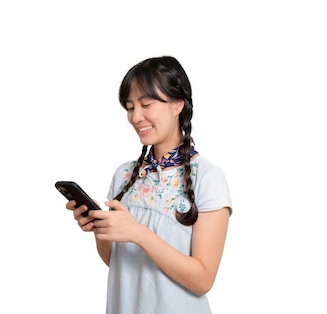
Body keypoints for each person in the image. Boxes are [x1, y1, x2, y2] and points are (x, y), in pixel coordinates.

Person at [65, 56, 232, 314]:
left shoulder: (208, 178)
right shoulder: (123, 174)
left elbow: (202, 280)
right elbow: (117, 261)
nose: (135, 117)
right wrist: (100, 228)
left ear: (178, 104)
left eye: (146, 104)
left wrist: (138, 233)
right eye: (130, 107)